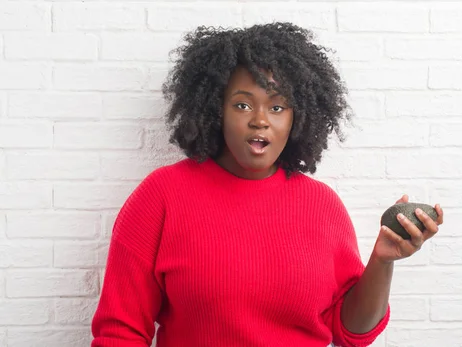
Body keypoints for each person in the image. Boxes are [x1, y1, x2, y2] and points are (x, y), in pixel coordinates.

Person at [90, 22, 443, 347]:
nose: (260, 120)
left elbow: (351, 333)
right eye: (243, 105)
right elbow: (120, 332)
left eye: (277, 108)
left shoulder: (322, 205)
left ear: (298, 117)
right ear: (215, 110)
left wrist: (382, 261)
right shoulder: (161, 196)